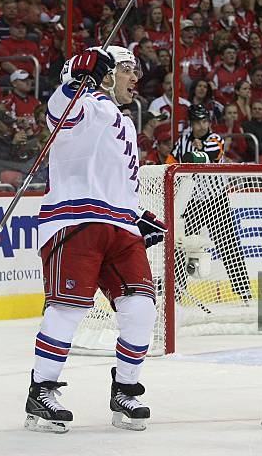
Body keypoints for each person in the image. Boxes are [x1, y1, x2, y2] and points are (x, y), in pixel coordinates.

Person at [25, 46, 167, 434]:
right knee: (67, 310)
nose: (135, 78)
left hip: (120, 226)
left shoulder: (119, 118)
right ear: (103, 74)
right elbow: (56, 111)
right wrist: (76, 79)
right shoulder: (85, 105)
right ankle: (42, 390)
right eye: (126, 69)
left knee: (141, 310)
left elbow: (113, 179)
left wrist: (137, 214)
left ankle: (125, 389)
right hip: (75, 220)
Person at [171, 103, 253, 305]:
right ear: (191, 123)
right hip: (192, 203)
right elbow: (170, 160)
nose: (201, 125)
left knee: (229, 247)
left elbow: (212, 156)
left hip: (217, 201)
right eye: (197, 122)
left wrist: (197, 151)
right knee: (181, 247)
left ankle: (245, 295)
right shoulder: (183, 142)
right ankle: (175, 294)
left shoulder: (215, 139)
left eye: (204, 121)